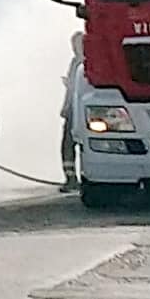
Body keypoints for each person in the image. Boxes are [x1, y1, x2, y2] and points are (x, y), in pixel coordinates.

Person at [60, 30, 84, 192]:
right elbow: (71, 89)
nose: (75, 48)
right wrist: (65, 108)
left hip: (82, 111)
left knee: (73, 144)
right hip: (73, 110)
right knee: (68, 144)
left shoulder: (84, 62)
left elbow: (75, 88)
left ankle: (75, 178)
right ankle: (71, 177)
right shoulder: (75, 62)